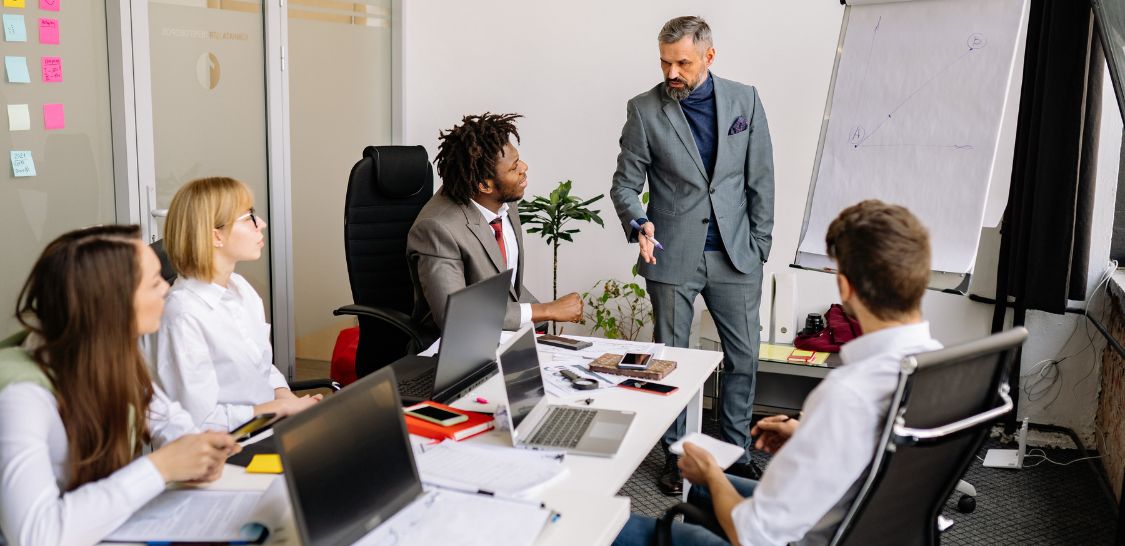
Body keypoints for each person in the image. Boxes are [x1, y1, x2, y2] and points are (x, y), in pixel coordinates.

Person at [613, 200, 943, 545]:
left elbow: (752, 535)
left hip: (806, 535)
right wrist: (813, 434)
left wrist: (711, 474)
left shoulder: (846, 393)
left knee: (614, 525)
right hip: (873, 524)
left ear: (845, 287)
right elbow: (885, 449)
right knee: (700, 496)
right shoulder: (940, 368)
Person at [610, 15, 775, 495]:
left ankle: (736, 454)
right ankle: (680, 458)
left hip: (736, 253)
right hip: (671, 254)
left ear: (709, 55)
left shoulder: (745, 100)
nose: (672, 73)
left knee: (743, 358)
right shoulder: (644, 110)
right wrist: (638, 222)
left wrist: (760, 245)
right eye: (665, 62)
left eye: (682, 62)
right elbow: (625, 183)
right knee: (674, 362)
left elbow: (760, 178)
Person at [0, 225, 241, 545]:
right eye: (155, 282)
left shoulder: (104, 356)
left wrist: (198, 450)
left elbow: (165, 416)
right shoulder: (21, 397)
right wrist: (161, 467)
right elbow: (36, 536)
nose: (166, 291)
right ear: (112, 303)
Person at [156, 177, 320, 431]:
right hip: (223, 450)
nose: (262, 224)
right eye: (249, 217)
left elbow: (262, 368)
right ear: (216, 236)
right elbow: (200, 421)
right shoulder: (183, 315)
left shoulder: (240, 287)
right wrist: (280, 409)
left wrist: (289, 402)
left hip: (266, 428)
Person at [408, 112, 583, 331]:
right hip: (456, 348)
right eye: (514, 167)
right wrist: (547, 311)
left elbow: (509, 288)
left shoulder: (505, 202)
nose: (524, 168)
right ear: (484, 185)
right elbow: (455, 316)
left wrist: (544, 324)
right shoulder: (438, 228)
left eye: (519, 160)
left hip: (504, 338)